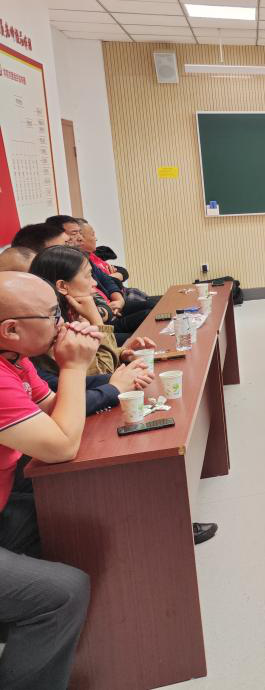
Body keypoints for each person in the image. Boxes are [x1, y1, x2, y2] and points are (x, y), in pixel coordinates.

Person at [0, 270, 103, 690]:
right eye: (52, 316)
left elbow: (53, 413)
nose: (62, 322)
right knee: (63, 592)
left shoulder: (14, 357)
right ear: (11, 329)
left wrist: (80, 360)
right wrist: (74, 366)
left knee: (82, 514)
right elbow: (61, 445)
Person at [28, 246, 155, 377]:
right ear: (62, 286)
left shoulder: (72, 311)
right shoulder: (57, 327)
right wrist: (96, 319)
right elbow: (103, 373)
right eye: (88, 276)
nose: (94, 283)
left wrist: (122, 353)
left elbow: (95, 362)